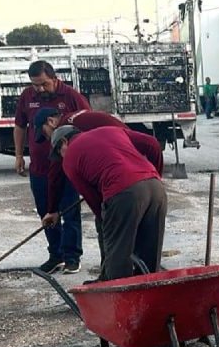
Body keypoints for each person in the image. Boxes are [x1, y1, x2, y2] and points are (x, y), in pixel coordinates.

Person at [44, 125, 167, 281]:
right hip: (156, 187)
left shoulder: (69, 160)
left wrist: (106, 222)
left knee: (118, 256)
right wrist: (155, 175)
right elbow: (152, 143)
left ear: (64, 141)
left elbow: (94, 199)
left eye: (59, 152)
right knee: (150, 253)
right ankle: (150, 296)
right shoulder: (110, 130)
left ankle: (118, 298)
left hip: (123, 192)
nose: (61, 158)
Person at [13, 60, 90, 274]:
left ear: (55, 79)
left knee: (69, 211)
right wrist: (19, 155)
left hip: (67, 168)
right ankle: (55, 255)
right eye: (35, 84)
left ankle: (72, 256)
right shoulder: (28, 96)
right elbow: (19, 126)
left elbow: (87, 124)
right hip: (39, 169)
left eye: (44, 84)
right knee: (46, 212)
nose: (39, 89)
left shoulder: (71, 96)